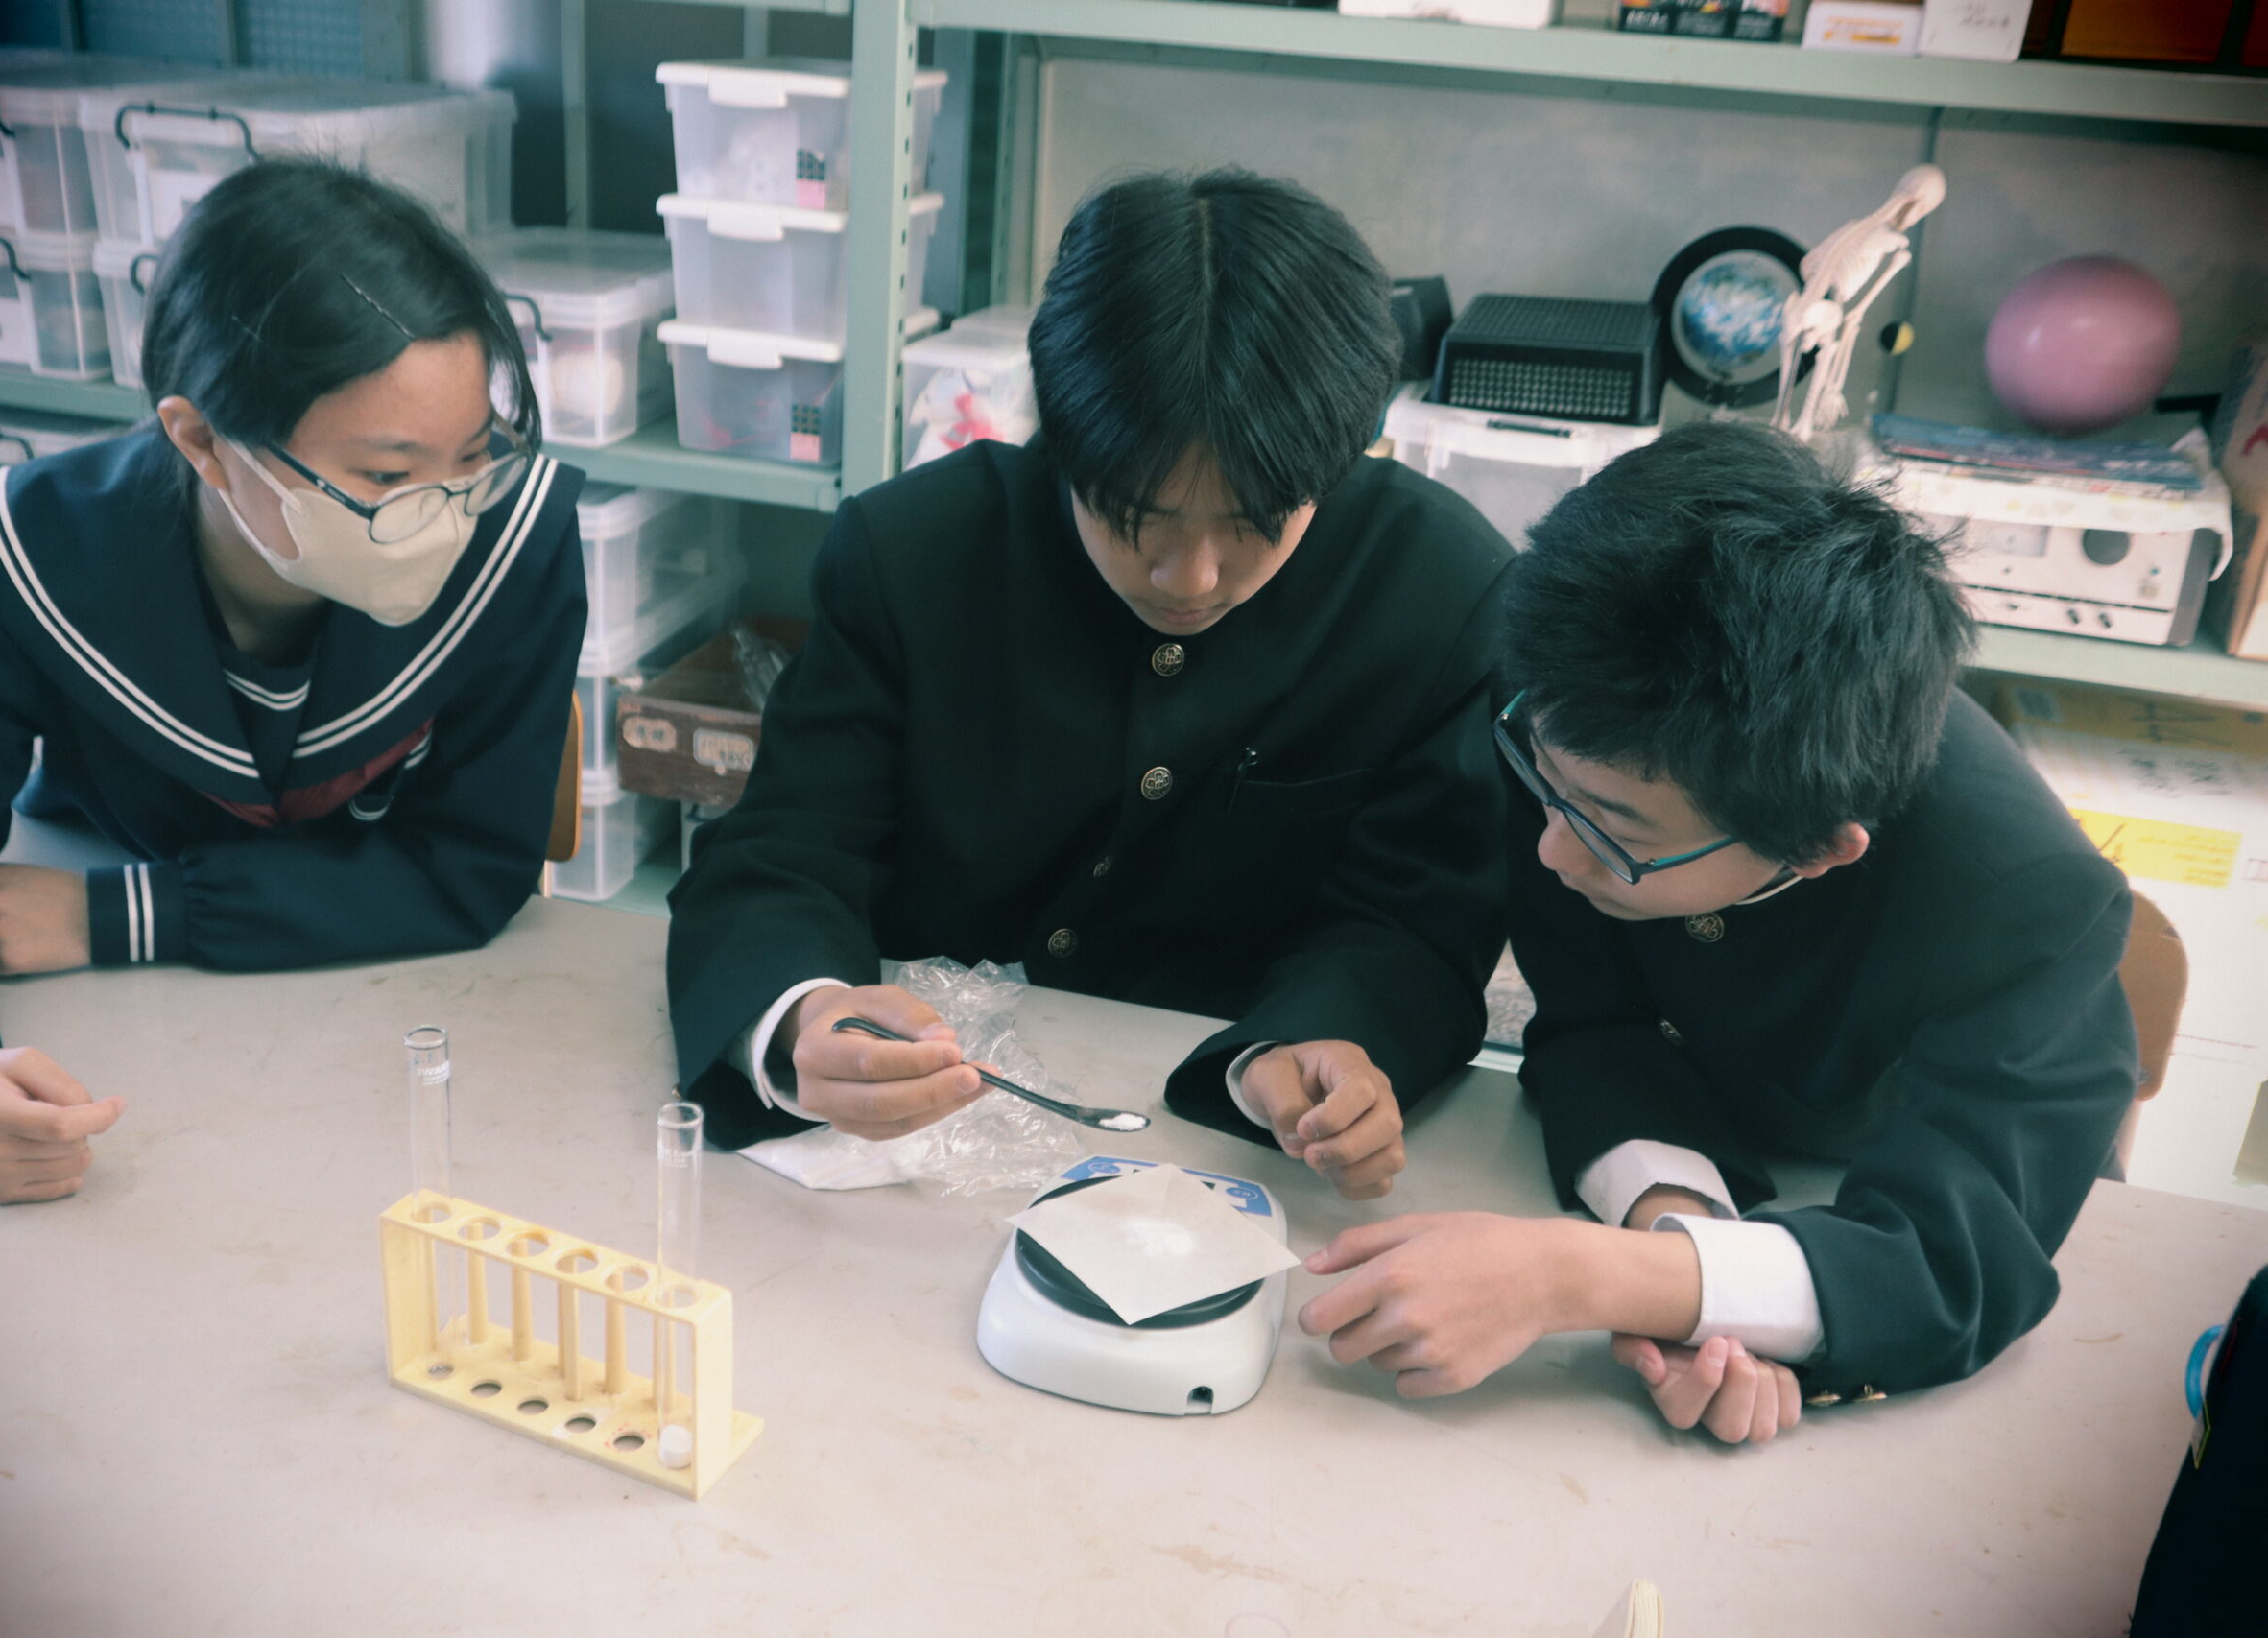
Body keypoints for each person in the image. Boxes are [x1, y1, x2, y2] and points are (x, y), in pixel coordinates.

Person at [667, 170, 1511, 1196]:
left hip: (1234, 1150)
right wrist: (801, 1016)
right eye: (1135, 519)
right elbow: (787, 845)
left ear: (1339, 459)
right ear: (1066, 441)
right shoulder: (914, 553)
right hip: (909, 1142)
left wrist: (1317, 1044)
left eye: (1254, 524)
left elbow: (1416, 922)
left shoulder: (1438, 594)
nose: (1190, 580)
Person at [1299, 422, 2136, 1441]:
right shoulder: (1580, 711)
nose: (1553, 852)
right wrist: (1683, 1251)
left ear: (1819, 851)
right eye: (1547, 788)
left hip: (1906, 1198)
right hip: (1747, 1184)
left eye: (1617, 833)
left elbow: (1952, 1260)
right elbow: (1595, 1024)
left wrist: (1573, 1274)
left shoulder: (2029, 899)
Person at [0, 158, 585, 1205]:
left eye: (474, 454)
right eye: (388, 476)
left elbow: (472, 864)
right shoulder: (24, 551)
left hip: (407, 1031)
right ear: (203, 441)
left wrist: (125, 914)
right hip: (135, 1055)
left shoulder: (517, 533)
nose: (446, 514)